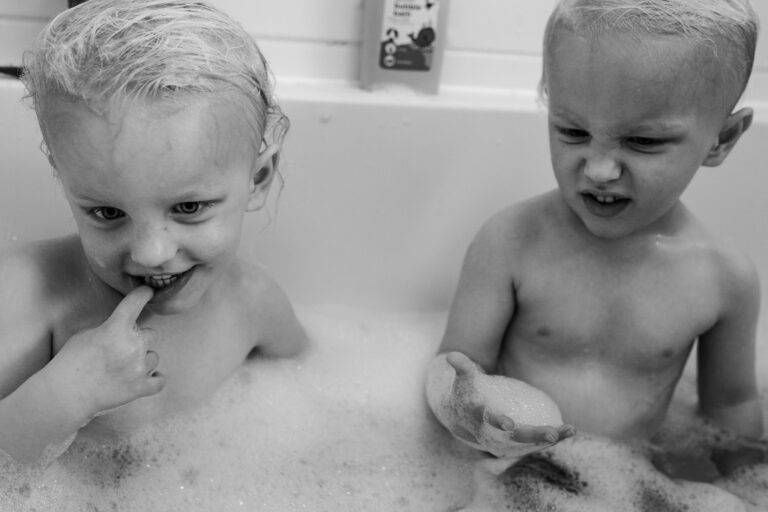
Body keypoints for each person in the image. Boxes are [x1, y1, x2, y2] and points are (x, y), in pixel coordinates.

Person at [426, 0, 763, 475]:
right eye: (572, 131)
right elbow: (455, 366)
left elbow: (731, 407)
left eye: (642, 141)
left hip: (636, 474)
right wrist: (474, 415)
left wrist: (738, 482)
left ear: (722, 139)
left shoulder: (724, 278)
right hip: (505, 468)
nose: (600, 169)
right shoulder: (511, 241)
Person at [0, 0, 306, 464]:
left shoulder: (254, 301)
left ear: (258, 179)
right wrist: (61, 395)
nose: (151, 252)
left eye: (188, 208)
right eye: (106, 212)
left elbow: (311, 390)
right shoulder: (29, 294)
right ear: (64, 179)